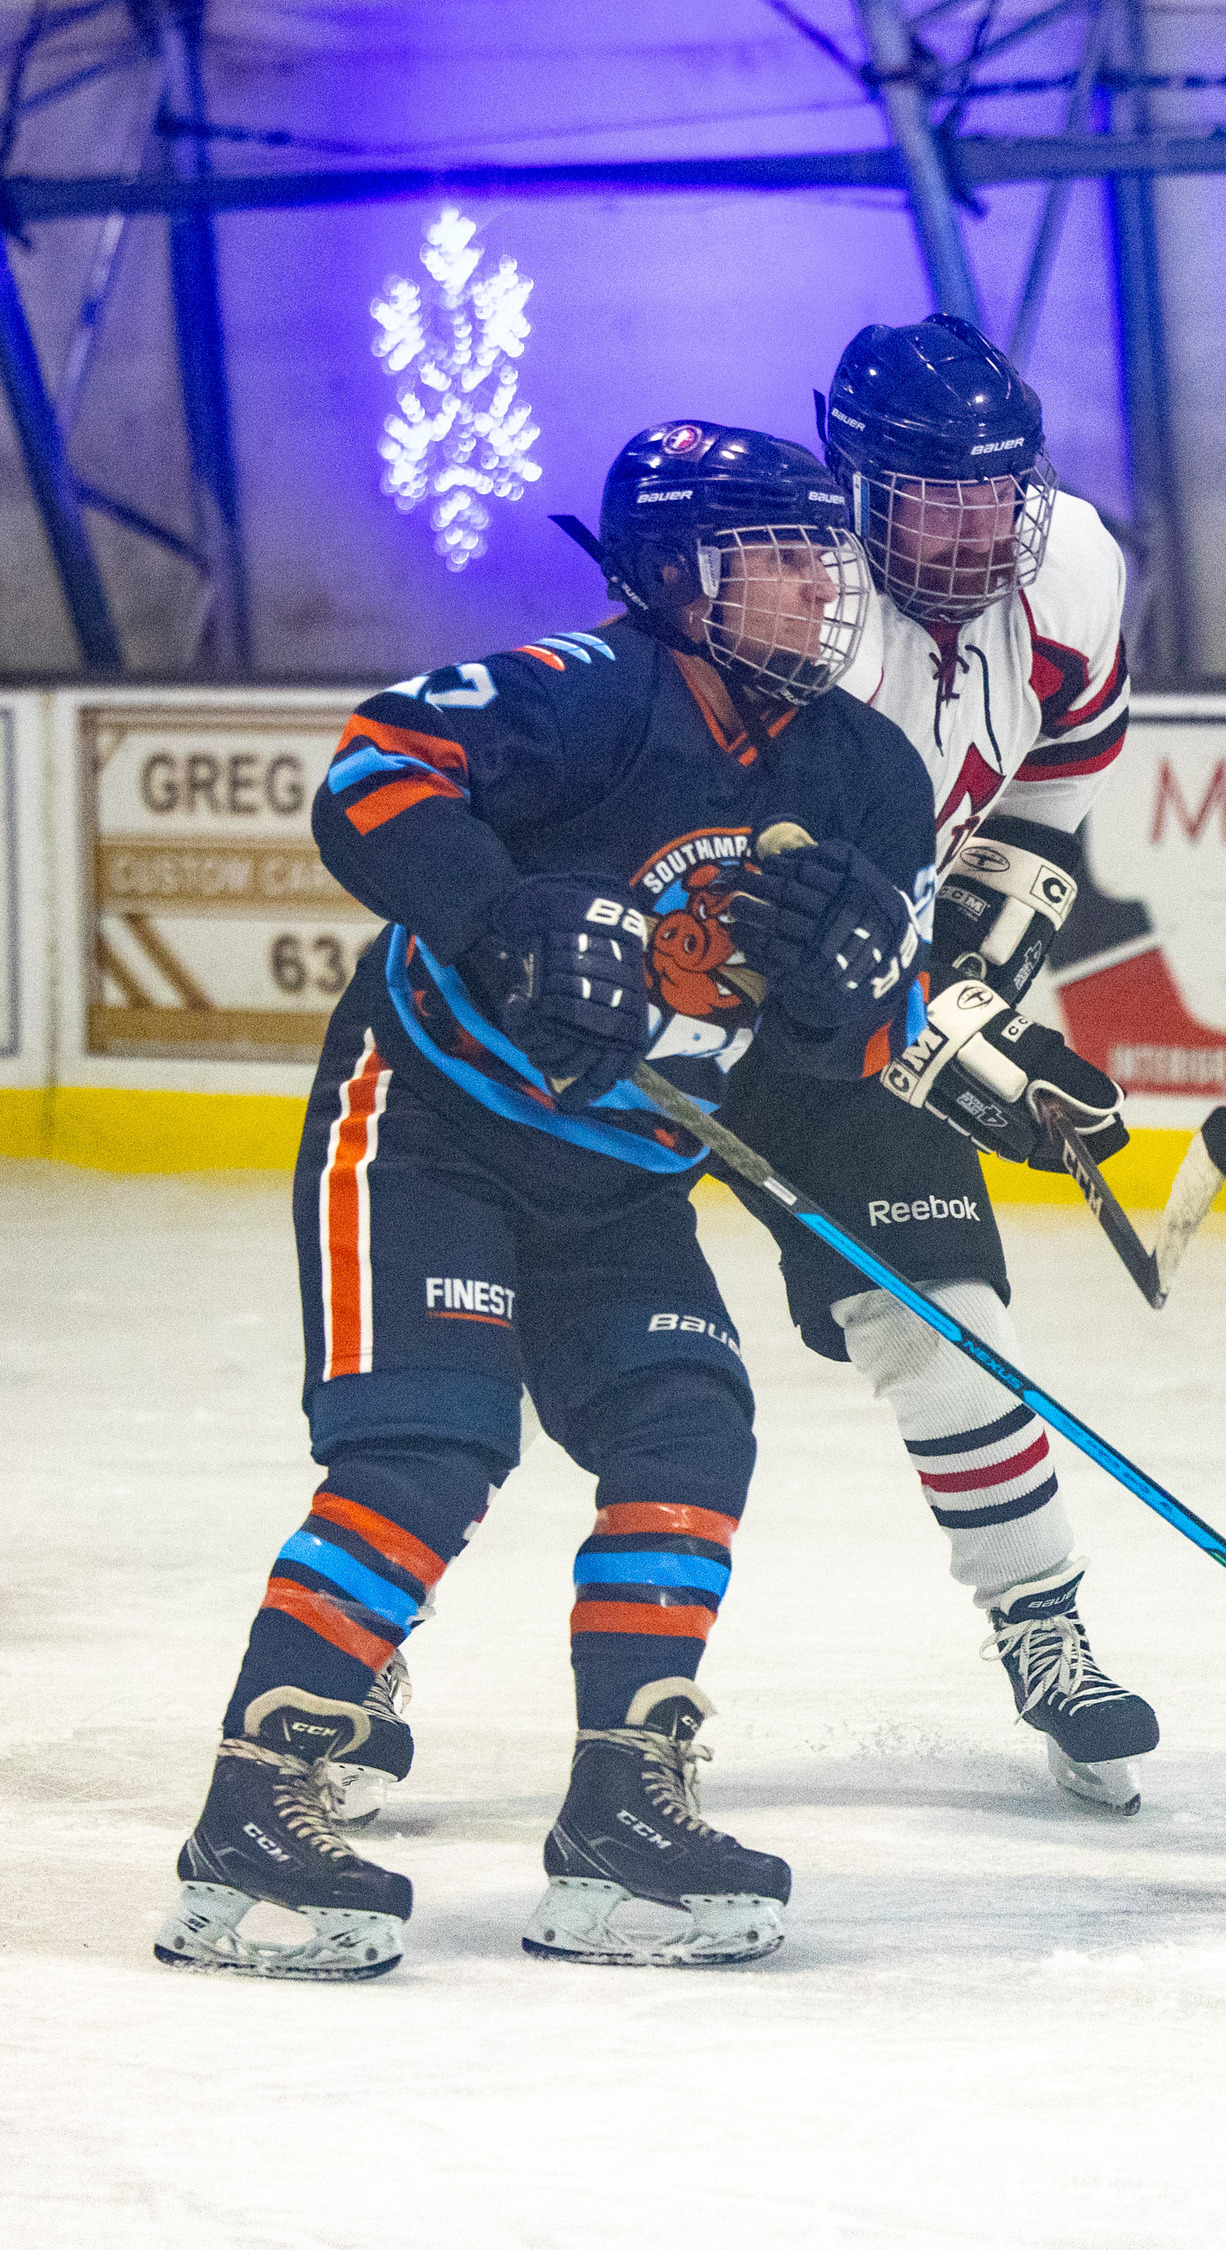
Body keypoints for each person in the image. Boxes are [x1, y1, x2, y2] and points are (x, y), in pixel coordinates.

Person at [154, 421, 936, 1981]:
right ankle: (252, 1808)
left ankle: (616, 1813)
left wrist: (853, 997)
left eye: (818, 555)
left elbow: (859, 1048)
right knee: (427, 1451)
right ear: (670, 578)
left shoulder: (864, 770)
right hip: (429, 1129)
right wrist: (504, 909)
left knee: (689, 1424)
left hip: (630, 1169)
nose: (814, 588)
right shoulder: (589, 691)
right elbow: (375, 771)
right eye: (769, 556)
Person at [711, 315, 1160, 1816]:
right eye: (933, 495)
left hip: (859, 1007)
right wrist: (940, 1033)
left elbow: (1049, 794)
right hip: (668, 998)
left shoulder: (1076, 569)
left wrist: (975, 988)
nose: (976, 527)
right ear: (853, 485)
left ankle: (1045, 1627)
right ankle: (354, 1663)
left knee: (947, 1326)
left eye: (996, 490)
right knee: (522, 1330)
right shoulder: (787, 605)